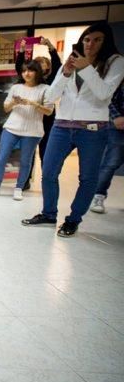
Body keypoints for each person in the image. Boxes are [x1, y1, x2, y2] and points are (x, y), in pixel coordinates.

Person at [23, 22, 124, 237]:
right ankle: (49, 214)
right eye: (87, 39)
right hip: (62, 125)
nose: (90, 44)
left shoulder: (116, 62)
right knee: (48, 172)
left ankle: (73, 219)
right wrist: (66, 73)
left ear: (106, 42)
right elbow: (51, 97)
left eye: (97, 40)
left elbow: (104, 93)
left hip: (93, 128)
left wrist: (86, 68)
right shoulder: (71, 62)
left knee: (88, 178)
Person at [0, 60, 53, 200]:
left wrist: (33, 104)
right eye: (24, 71)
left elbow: (49, 111)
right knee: (1, 158)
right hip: (12, 127)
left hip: (33, 131)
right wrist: (15, 102)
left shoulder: (45, 88)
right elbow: (6, 108)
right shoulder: (16, 87)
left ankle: (19, 188)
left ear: (37, 72)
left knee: (25, 161)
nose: (27, 73)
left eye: (30, 70)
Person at [16, 37, 62, 190]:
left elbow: (57, 66)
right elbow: (20, 67)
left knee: (46, 153)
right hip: (31, 120)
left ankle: (47, 182)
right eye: (38, 65)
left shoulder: (52, 80)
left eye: (44, 64)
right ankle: (25, 181)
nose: (41, 67)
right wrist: (22, 51)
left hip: (47, 121)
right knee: (28, 154)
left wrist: (50, 47)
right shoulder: (30, 80)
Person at [91, 81, 124, 213]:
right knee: (111, 162)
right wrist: (116, 117)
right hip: (118, 126)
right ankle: (98, 196)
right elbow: (107, 98)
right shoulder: (120, 77)